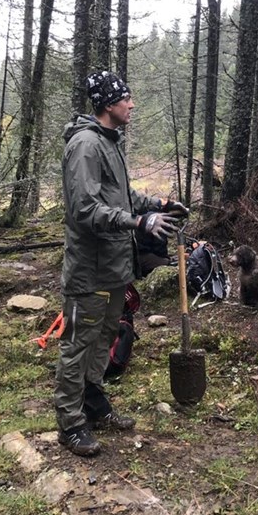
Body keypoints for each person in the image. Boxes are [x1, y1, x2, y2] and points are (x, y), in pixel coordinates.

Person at [55, 70, 187, 456]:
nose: (132, 104)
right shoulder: (84, 145)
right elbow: (84, 210)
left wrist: (159, 205)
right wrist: (136, 221)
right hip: (88, 269)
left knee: (102, 340)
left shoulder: (109, 142)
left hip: (114, 268)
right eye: (126, 98)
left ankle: (93, 404)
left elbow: (121, 195)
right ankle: (70, 424)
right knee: (78, 344)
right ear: (109, 104)